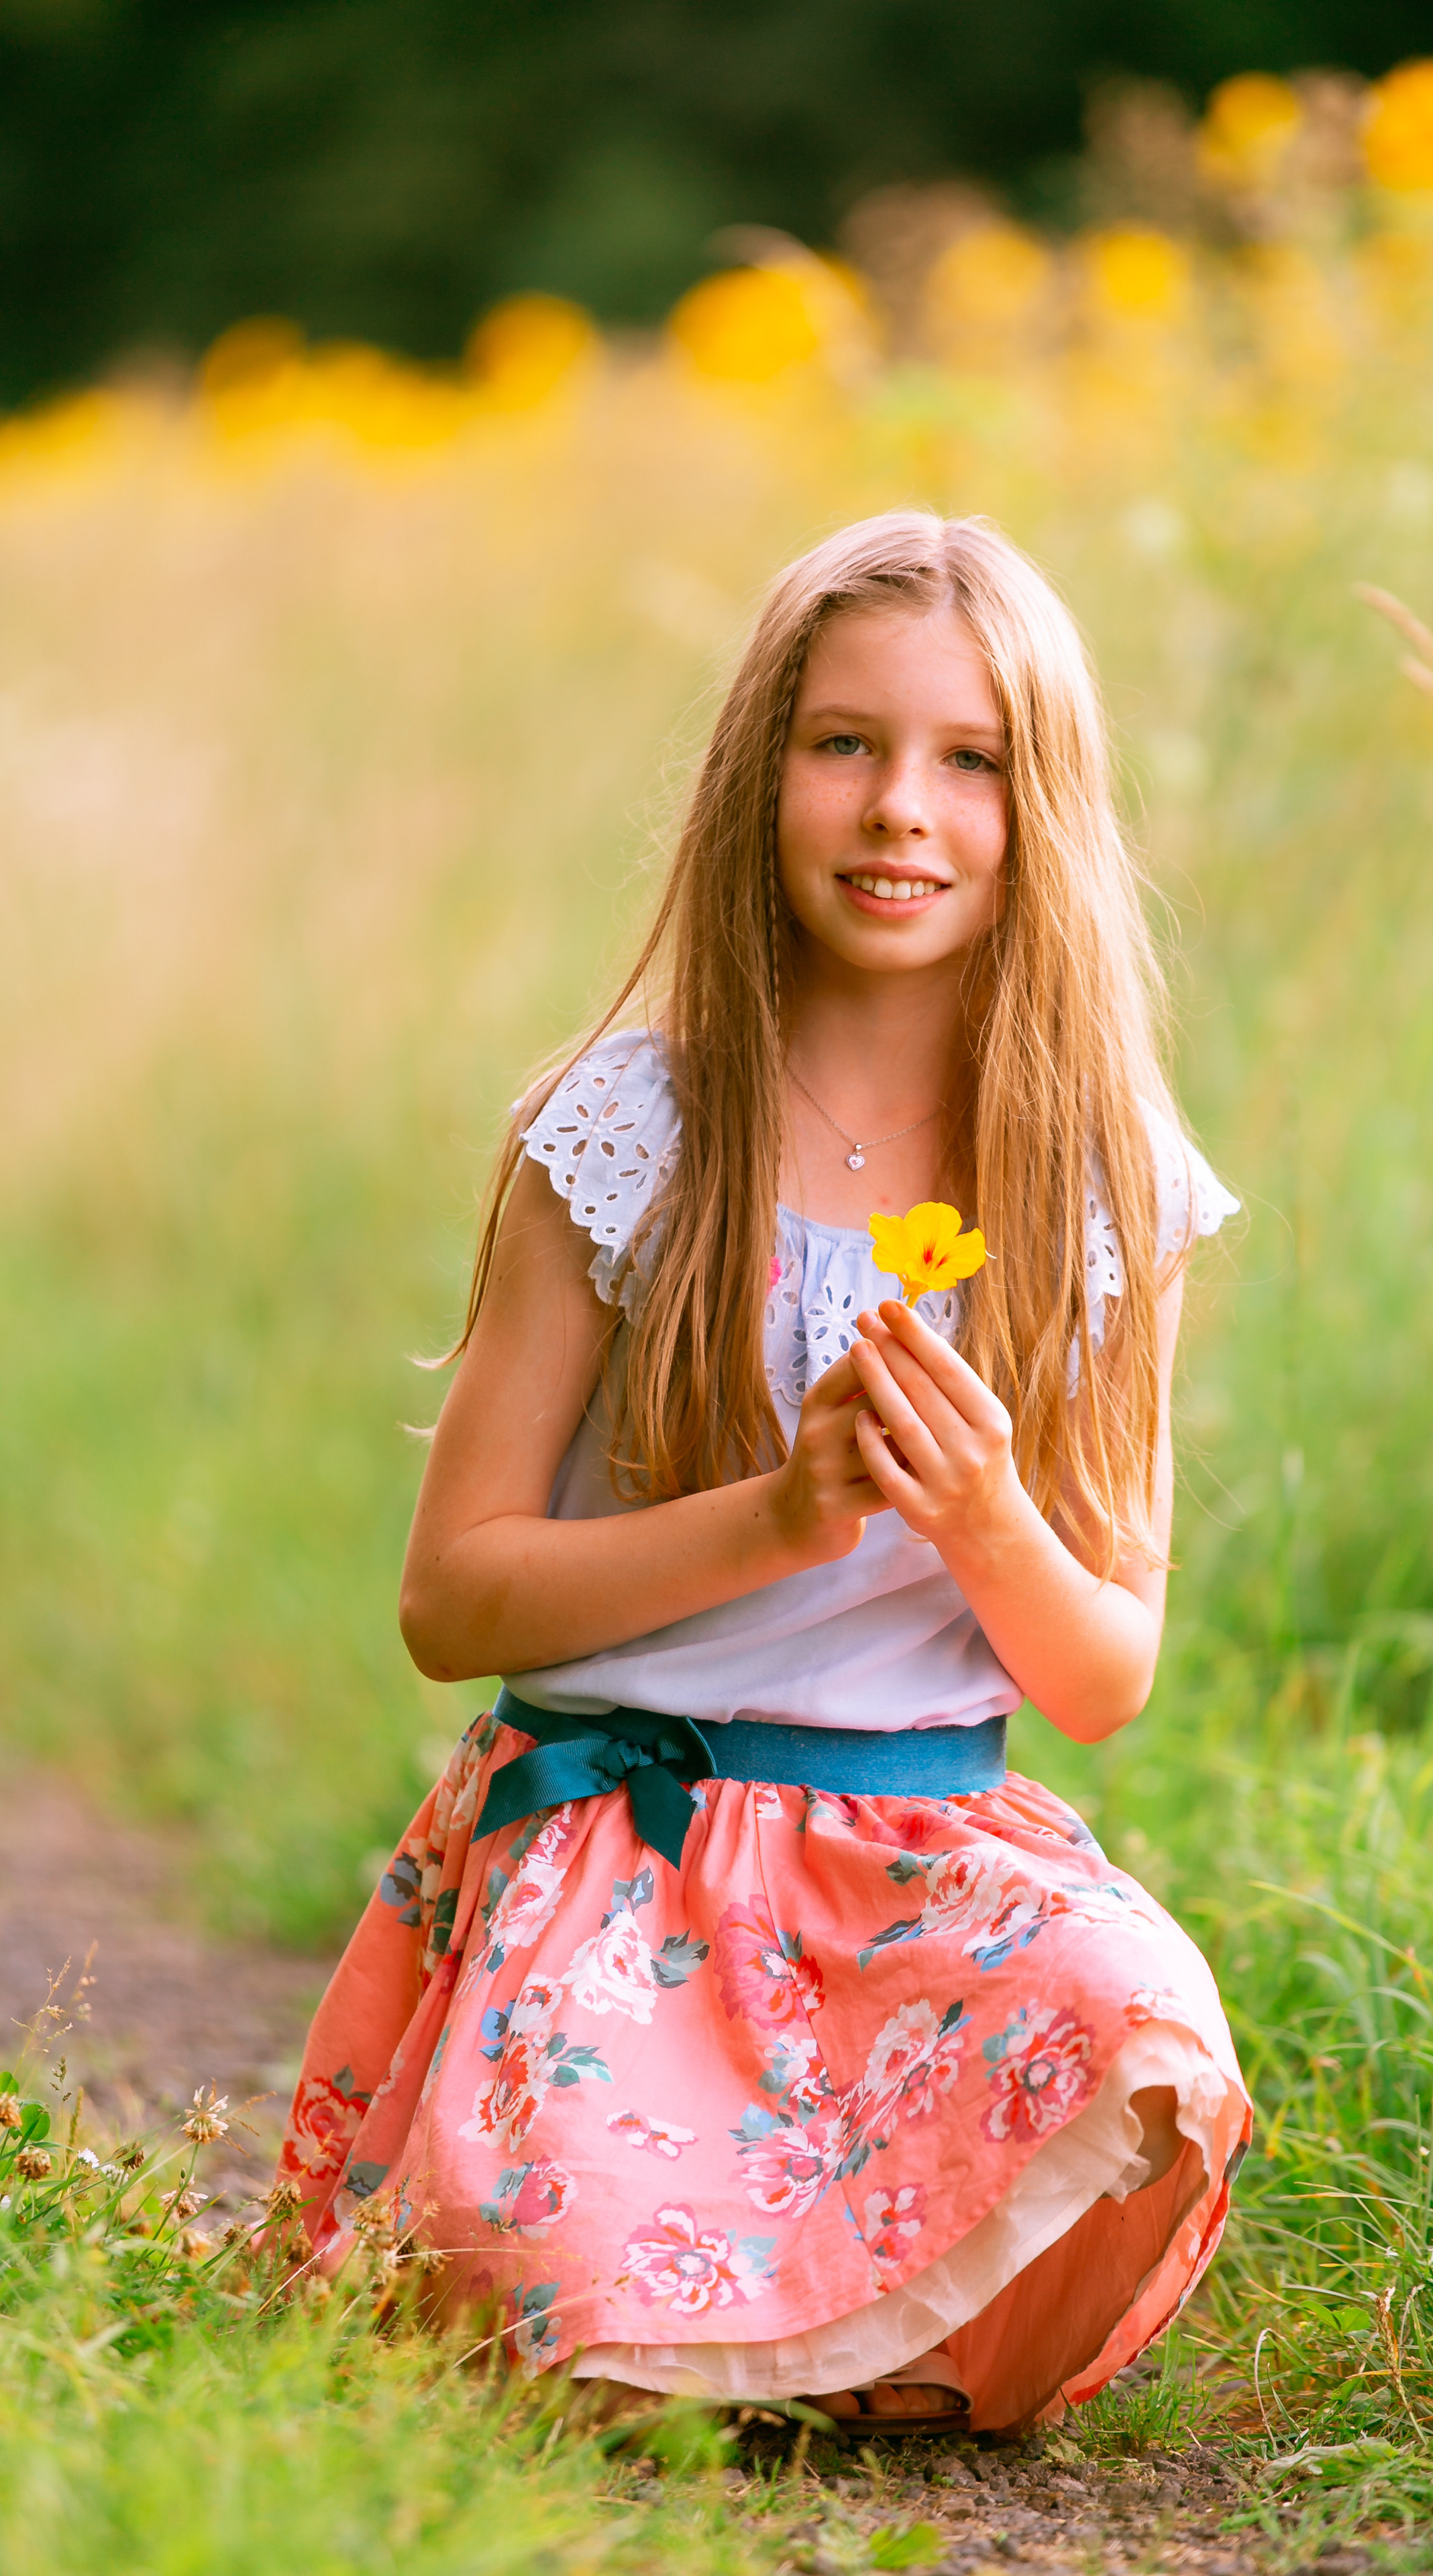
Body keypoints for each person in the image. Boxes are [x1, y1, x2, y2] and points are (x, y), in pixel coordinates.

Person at [277, 510, 1251, 2434]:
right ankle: (715, 2318)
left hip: (913, 1872)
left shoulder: (1100, 1176)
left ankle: (804, 2328)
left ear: (1044, 808)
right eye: (846, 745)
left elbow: (1102, 1675)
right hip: (618, 1869)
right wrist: (785, 1517)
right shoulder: (631, 1128)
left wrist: (983, 1516)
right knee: (548, 2253)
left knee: (1133, 2025)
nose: (902, 808)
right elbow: (452, 1600)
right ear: (759, 776)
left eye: (971, 761)